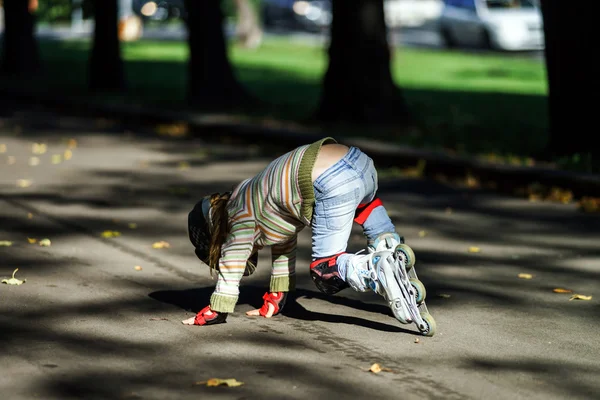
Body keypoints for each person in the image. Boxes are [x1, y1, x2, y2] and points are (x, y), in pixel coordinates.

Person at [182, 137, 434, 334]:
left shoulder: (238, 213)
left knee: (325, 270)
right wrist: (277, 296)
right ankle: (389, 249)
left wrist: (217, 308)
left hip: (333, 179)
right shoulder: (255, 198)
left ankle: (377, 269)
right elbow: (284, 243)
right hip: (362, 166)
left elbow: (233, 259)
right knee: (363, 209)